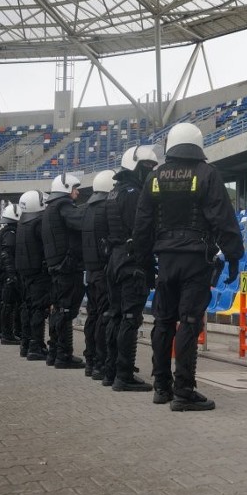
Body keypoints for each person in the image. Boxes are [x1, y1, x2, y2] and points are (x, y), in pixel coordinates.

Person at [134, 123, 244, 411]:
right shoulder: (207, 174)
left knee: (163, 321)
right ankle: (184, 390)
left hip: (165, 261)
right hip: (197, 260)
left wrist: (144, 263)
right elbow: (223, 218)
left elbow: (142, 225)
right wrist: (233, 256)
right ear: (197, 144)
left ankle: (161, 387)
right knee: (190, 322)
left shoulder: (154, 177)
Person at [106, 149, 159, 392]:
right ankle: (124, 375)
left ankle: (112, 370)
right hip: (130, 262)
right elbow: (141, 232)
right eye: (147, 165)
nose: (150, 170)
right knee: (129, 318)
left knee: (116, 316)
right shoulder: (133, 194)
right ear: (134, 165)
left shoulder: (113, 192)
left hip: (115, 260)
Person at [42, 174, 86, 369]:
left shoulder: (50, 208)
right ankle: (64, 355)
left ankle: (54, 353)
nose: (77, 192)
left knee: (59, 309)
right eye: (75, 188)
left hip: (56, 266)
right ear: (66, 188)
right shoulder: (63, 205)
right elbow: (79, 221)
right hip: (67, 267)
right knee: (66, 311)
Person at [80, 169, 115, 382]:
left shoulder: (87, 210)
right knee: (104, 317)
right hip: (103, 271)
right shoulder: (105, 209)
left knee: (92, 317)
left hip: (90, 271)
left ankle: (91, 361)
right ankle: (102, 364)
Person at [16, 190, 52, 361]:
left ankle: (26, 343)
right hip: (38, 272)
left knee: (28, 307)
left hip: (25, 272)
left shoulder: (22, 223)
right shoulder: (38, 223)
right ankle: (36, 346)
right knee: (38, 309)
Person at [0, 203, 23, 347]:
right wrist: (12, 275)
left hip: (5, 275)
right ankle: (7, 334)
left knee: (8, 305)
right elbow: (7, 255)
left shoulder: (5, 232)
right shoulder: (10, 234)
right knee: (9, 305)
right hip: (9, 276)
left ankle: (7, 333)